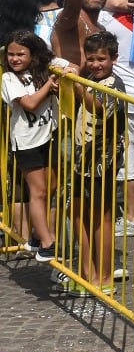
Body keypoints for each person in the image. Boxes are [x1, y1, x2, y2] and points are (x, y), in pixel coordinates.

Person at [67, 31, 126, 293]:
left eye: (101, 59)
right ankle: (87, 270)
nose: (95, 64)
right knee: (76, 211)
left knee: (102, 218)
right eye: (90, 59)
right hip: (82, 159)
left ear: (113, 58)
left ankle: (103, 276)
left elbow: (99, 107)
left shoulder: (115, 84)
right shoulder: (89, 77)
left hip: (104, 159)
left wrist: (77, 83)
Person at [3, 30, 59, 261]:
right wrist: (49, 85)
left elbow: (72, 66)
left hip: (47, 136)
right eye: (10, 54)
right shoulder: (8, 78)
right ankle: (46, 243)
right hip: (26, 142)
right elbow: (29, 104)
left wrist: (68, 70)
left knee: (51, 187)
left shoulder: (43, 68)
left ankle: (37, 234)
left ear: (33, 55)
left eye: (20, 54)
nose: (14, 59)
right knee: (38, 191)